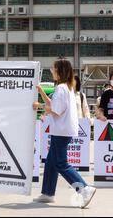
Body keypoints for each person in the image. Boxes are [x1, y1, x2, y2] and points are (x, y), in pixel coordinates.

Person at [32, 58, 96, 208]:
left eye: (53, 69)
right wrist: (41, 92)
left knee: (60, 163)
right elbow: (53, 104)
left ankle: (84, 189)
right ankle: (47, 193)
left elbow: (55, 109)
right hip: (63, 130)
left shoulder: (61, 88)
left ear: (59, 71)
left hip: (61, 130)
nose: (52, 71)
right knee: (51, 162)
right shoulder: (66, 87)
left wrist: (38, 105)